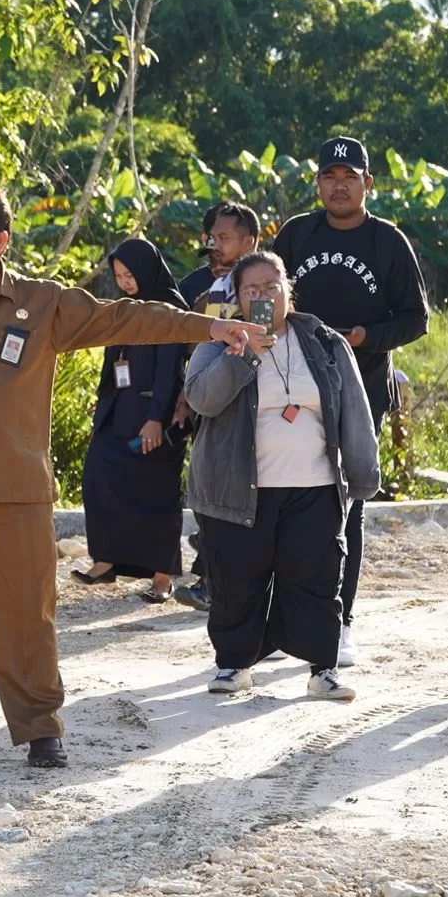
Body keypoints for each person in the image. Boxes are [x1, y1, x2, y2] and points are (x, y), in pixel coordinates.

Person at [0, 184, 263, 768]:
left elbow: (124, 318)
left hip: (17, 488)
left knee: (28, 611)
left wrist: (210, 329)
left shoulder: (41, 304)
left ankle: (38, 726)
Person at [185, 251, 380, 702]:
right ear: (235, 298)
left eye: (271, 287)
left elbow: (354, 408)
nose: (262, 296)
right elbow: (201, 399)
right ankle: (234, 665)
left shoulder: (325, 341)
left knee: (315, 578)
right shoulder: (216, 342)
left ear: (288, 291)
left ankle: (323, 670)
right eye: (251, 290)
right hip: (237, 490)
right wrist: (243, 355)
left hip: (313, 486)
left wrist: (362, 472)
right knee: (237, 579)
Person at [272, 136, 429, 667]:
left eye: (350, 176)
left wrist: (365, 337)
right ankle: (281, 624)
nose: (339, 185)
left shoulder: (388, 242)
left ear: (368, 184)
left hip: (361, 390)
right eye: (329, 176)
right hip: (291, 385)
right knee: (281, 499)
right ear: (317, 183)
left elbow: (417, 319)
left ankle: (339, 621)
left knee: (347, 504)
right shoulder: (296, 235)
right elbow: (264, 298)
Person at [73, 239, 190, 602]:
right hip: (118, 412)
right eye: (119, 275)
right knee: (98, 477)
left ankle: (161, 577)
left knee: (155, 495)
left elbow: (171, 370)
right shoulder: (125, 308)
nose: (125, 282)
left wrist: (156, 418)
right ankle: (106, 560)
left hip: (155, 417)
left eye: (130, 274)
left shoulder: (169, 308)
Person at [173, 201, 262, 612]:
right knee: (208, 491)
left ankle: (219, 583)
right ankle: (209, 577)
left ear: (251, 241)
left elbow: (267, 350)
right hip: (210, 405)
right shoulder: (209, 293)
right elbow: (197, 353)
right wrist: (183, 402)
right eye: (212, 238)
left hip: (253, 413)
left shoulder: (267, 295)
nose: (215, 245)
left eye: (224, 238)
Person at [177, 204, 226, 305]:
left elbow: (262, 319)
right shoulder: (189, 287)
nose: (220, 245)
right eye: (219, 237)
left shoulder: (261, 282)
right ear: (205, 239)